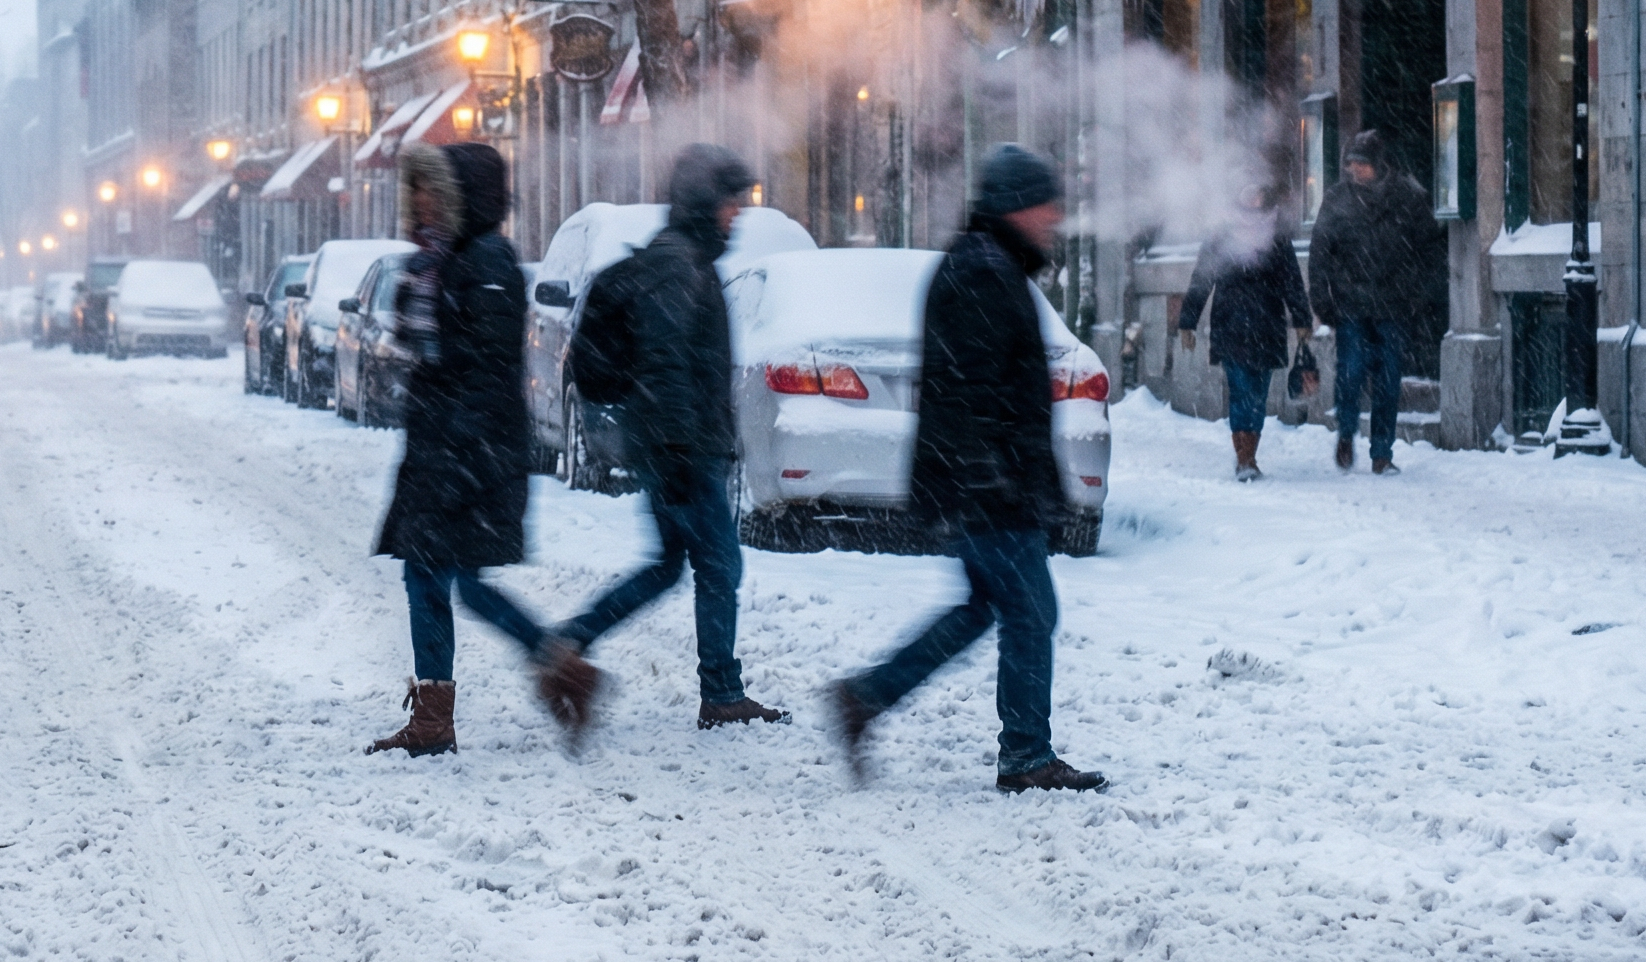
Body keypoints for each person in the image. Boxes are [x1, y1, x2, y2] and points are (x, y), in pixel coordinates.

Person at [831, 144, 1105, 794]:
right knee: (1031, 612)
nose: (1055, 219)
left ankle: (867, 697)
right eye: (1046, 206)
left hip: (987, 479)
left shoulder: (990, 264)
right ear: (1015, 207)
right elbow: (971, 391)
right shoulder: (984, 272)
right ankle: (1025, 757)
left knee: (987, 607)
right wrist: (994, 478)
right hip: (989, 484)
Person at [541, 143, 788, 743]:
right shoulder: (680, 264)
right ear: (708, 204)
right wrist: (679, 452)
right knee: (719, 564)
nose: (738, 216)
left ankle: (570, 641)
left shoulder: (683, 258)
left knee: (668, 567)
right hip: (682, 449)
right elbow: (666, 364)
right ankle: (722, 692)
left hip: (676, 444)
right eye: (733, 204)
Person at [367, 142, 563, 757]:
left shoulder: (487, 260)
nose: (421, 199)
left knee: (450, 580)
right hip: (443, 444)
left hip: (468, 449)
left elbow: (485, 369)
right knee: (432, 577)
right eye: (416, 188)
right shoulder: (444, 259)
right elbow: (428, 346)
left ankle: (558, 669)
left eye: (433, 188)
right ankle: (444, 713)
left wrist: (461, 456)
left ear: (459, 195)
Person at [1308, 130, 1443, 475]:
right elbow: (1321, 251)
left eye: (1362, 163)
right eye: (1351, 163)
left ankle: (1382, 451)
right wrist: (1323, 298)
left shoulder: (1406, 198)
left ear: (1378, 164)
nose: (1355, 170)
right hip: (1351, 303)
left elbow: (1429, 250)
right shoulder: (1338, 199)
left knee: (1389, 379)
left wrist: (1416, 294)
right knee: (1350, 374)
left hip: (1394, 304)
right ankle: (1347, 432)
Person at [1179, 183, 1313, 482]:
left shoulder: (1277, 233)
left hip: (1267, 324)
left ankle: (1250, 454)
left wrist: (1302, 319)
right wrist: (1187, 322)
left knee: (1258, 395)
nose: (1252, 197)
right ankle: (1244, 459)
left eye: (1257, 192)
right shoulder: (1220, 233)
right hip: (1231, 323)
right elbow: (1202, 278)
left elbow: (1292, 279)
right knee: (1241, 392)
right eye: (1246, 191)